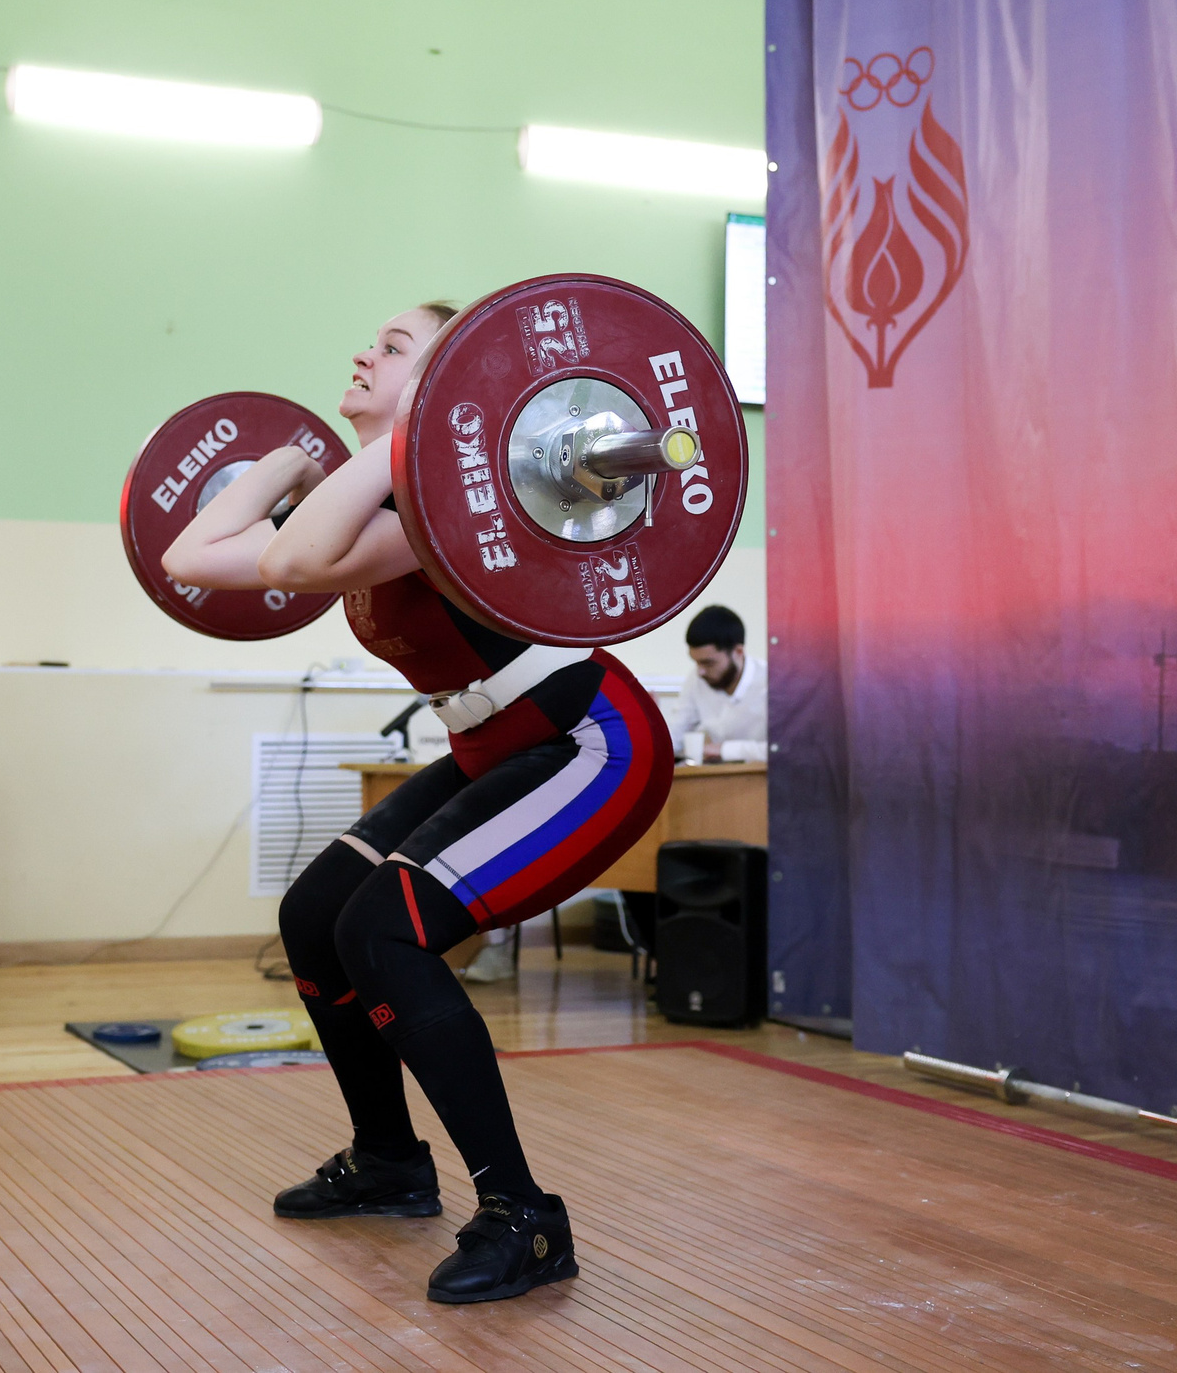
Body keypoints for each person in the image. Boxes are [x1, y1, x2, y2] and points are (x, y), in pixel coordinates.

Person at [162, 303, 673, 1306]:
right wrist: (292, 457)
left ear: (446, 382)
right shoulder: (369, 494)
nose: (363, 350)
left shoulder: (444, 498)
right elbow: (190, 558)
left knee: (382, 930)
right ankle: (389, 1161)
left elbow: (294, 564)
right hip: (490, 744)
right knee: (317, 915)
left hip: (591, 742)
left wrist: (406, 436)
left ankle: (524, 1216)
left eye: (395, 347)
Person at [669, 603, 767, 760]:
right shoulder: (697, 679)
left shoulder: (772, 683)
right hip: (712, 773)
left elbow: (784, 749)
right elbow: (674, 737)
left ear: (738, 652)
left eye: (708, 663)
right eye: (696, 662)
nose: (700, 671)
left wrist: (724, 750)